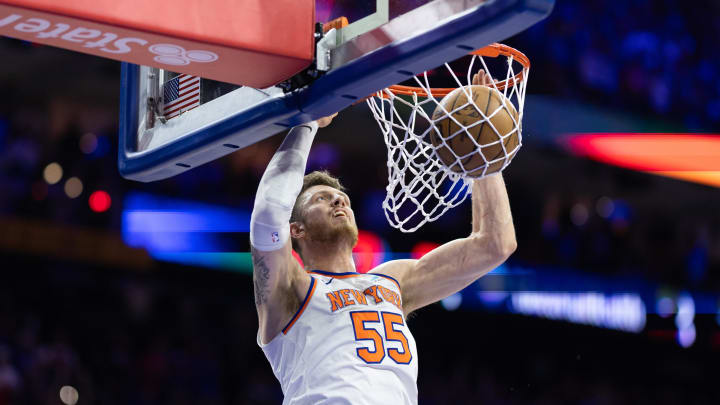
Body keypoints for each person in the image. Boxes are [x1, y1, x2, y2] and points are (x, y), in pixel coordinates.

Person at [250, 71, 516, 404]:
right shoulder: (290, 288)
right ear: (296, 230)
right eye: (320, 198)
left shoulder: (394, 282)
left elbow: (495, 244)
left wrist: (485, 153)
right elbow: (267, 217)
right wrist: (307, 123)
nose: (338, 199)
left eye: (340, 196)